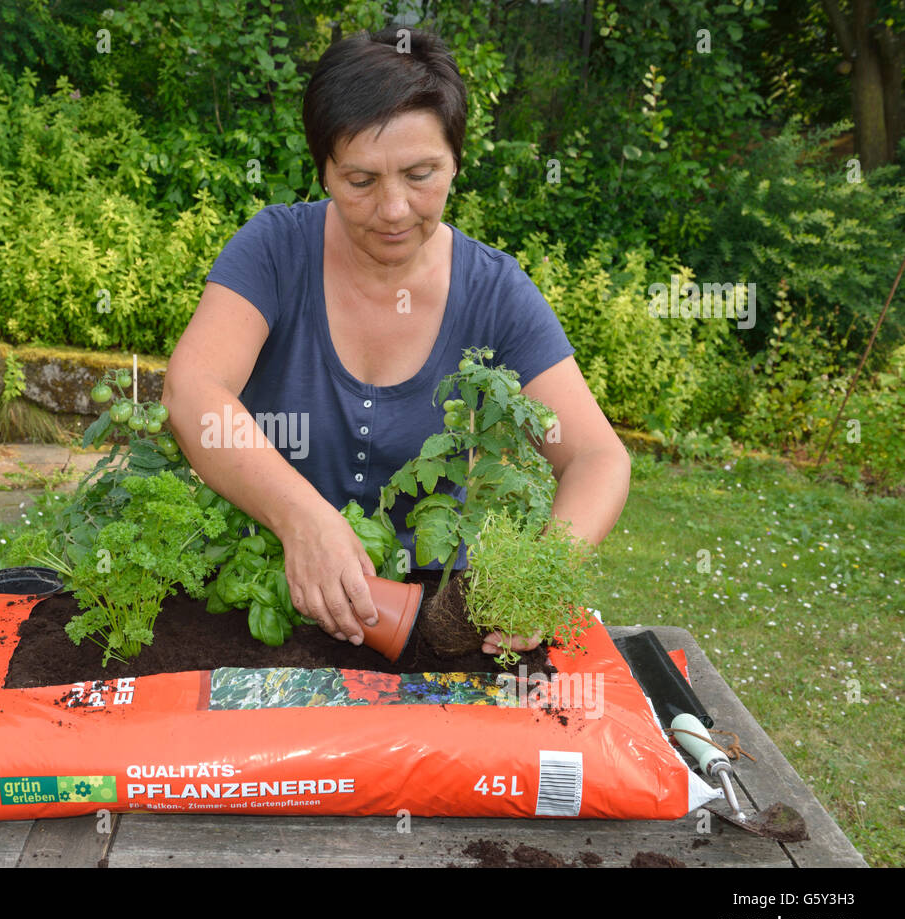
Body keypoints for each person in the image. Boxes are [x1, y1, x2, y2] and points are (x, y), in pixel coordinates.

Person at [162, 26, 630, 658]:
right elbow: (194, 390)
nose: (394, 209)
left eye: (420, 174)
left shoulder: (495, 291)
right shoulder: (275, 251)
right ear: (324, 170)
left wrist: (537, 578)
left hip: (432, 621)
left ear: (456, 162)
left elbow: (597, 457)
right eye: (361, 180)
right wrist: (301, 518)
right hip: (263, 593)